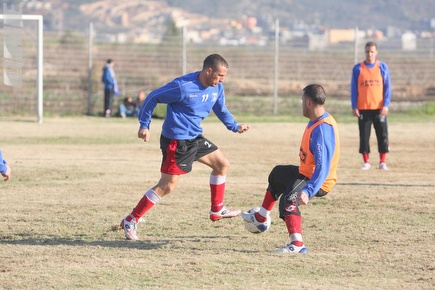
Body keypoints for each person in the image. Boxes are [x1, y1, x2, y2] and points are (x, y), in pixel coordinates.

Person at [120, 54, 250, 240]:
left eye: (224, 76)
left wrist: (234, 126)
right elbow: (152, 97)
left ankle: (217, 210)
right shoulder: (183, 86)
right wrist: (144, 125)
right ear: (208, 71)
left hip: (194, 136)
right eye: (220, 75)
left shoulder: (217, 87)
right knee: (168, 186)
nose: (222, 80)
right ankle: (131, 219)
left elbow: (221, 108)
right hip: (177, 141)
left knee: (222, 165)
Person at [242, 84, 340, 253]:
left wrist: (308, 190)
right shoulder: (317, 120)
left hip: (317, 180)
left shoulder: (322, 130)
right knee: (278, 174)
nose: (301, 103)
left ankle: (297, 245)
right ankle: (261, 217)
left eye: (302, 99)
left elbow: (323, 167)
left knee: (288, 199)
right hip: (307, 173)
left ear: (308, 102)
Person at [351, 41, 392, 170]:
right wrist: (354, 105)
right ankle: (366, 161)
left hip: (379, 108)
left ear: (376, 52)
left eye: (372, 51)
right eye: (367, 51)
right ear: (365, 52)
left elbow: (387, 88)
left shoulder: (382, 67)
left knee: (382, 135)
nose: (370, 54)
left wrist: (386, 104)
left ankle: (382, 161)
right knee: (364, 135)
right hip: (363, 108)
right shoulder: (358, 68)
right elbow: (353, 89)